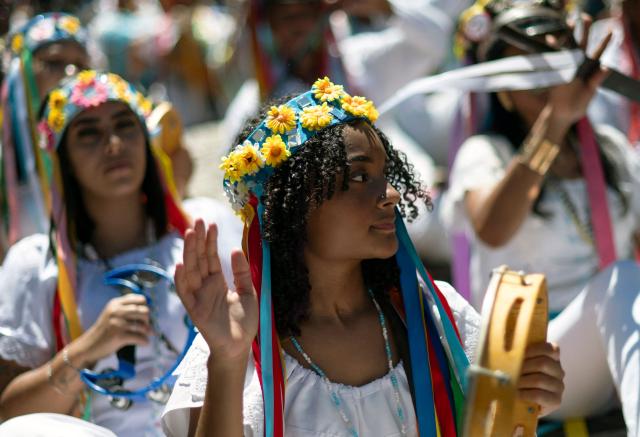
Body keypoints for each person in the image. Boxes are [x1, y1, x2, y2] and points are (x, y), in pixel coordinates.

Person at [161, 78, 564, 436]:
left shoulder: (436, 314)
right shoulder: (237, 346)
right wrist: (228, 361)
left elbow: (495, 422)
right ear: (294, 206)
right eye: (359, 177)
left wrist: (532, 395)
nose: (389, 195)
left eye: (384, 176)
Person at [0, 71, 242, 436]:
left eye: (125, 125)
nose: (113, 144)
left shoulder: (204, 230)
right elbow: (10, 417)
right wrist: (86, 350)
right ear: (62, 157)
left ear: (147, 140)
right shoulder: (34, 265)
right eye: (89, 133)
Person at [442, 0, 640, 433]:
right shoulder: (485, 154)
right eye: (529, 72)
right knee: (620, 280)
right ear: (504, 93)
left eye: (557, 64)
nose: (549, 81)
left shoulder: (610, 149)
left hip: (618, 342)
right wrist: (555, 121)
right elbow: (493, 230)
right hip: (527, 365)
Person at [1, 12, 90, 256]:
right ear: (22, 74)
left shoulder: (111, 145)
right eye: (54, 63)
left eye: (80, 64)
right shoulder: (4, 161)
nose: (71, 72)